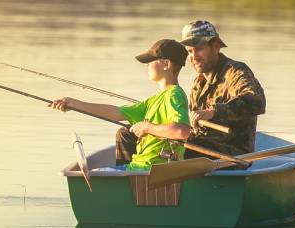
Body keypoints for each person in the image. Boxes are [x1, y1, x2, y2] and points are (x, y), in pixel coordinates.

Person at [49, 39, 191, 170]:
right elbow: (115, 113)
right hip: (138, 167)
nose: (147, 65)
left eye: (151, 61)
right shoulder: (153, 101)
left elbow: (181, 131)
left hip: (149, 170)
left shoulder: (174, 95)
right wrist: (74, 104)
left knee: (97, 174)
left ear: (166, 64)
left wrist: (146, 127)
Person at [180, 20, 266, 157]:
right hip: (200, 147)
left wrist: (213, 112)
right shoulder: (199, 82)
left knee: (181, 149)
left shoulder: (235, 72)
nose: (194, 57)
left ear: (216, 47)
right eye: (190, 51)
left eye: (199, 49)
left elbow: (257, 102)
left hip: (233, 155)